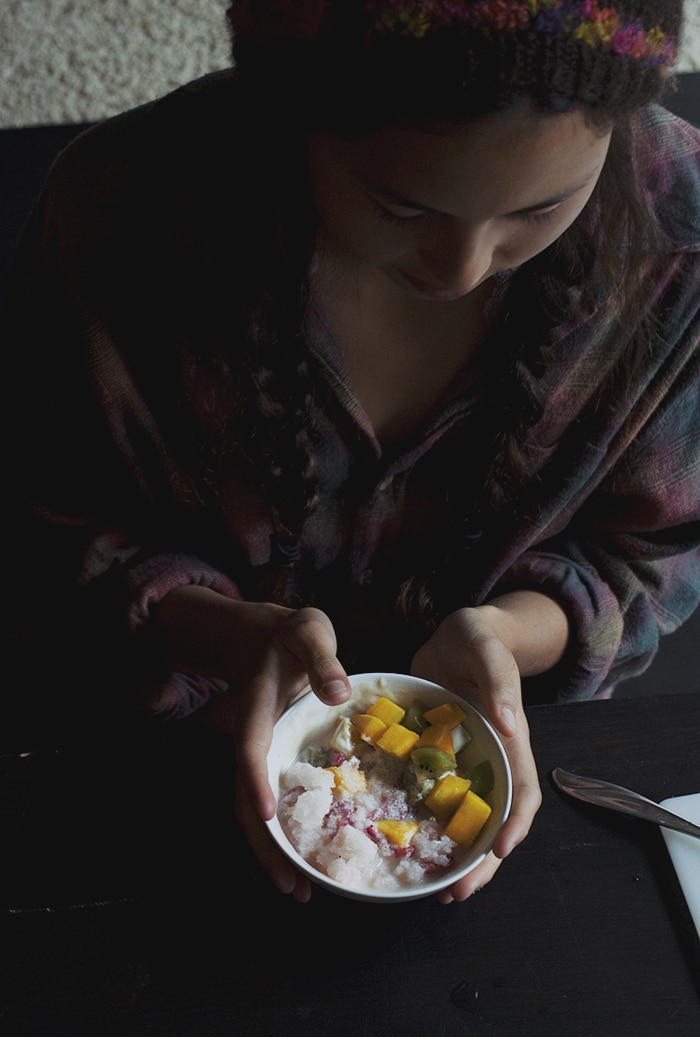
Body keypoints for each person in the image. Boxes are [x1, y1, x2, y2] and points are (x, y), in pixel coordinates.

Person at [4, 0, 699, 904]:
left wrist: (510, 633)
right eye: (397, 205)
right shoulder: (115, 220)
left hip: (539, 769)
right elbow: (45, 515)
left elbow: (656, 556)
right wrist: (215, 632)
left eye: (540, 208)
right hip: (146, 754)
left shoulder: (678, 242)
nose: (461, 270)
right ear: (289, 116)